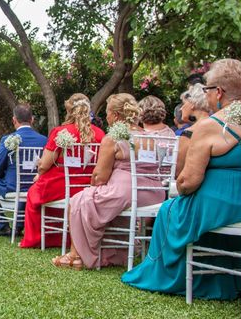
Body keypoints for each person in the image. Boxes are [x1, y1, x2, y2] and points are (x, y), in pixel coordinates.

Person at [122, 59, 241, 300]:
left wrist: (178, 188)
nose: (207, 95)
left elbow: (188, 182)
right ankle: (226, 282)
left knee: (169, 210)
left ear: (218, 92)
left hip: (222, 206)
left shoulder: (211, 126)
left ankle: (169, 276)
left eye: (208, 90)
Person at [53, 93, 166, 269]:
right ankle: (93, 253)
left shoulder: (113, 138)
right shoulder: (150, 137)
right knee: (88, 199)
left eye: (107, 112)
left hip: (125, 193)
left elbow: (100, 177)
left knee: (79, 200)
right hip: (154, 194)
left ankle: (76, 255)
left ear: (116, 115)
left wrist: (92, 187)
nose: (106, 117)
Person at [19, 94, 105, 249]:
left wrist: (40, 169)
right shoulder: (100, 134)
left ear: (69, 111)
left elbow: (45, 165)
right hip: (89, 187)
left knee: (34, 193)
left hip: (61, 185)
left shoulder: (61, 131)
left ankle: (39, 239)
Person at [0, 103, 47, 236]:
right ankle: (18, 227)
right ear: (32, 119)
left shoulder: (8, 140)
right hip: (35, 186)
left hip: (11, 186)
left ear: (14, 120)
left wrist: (2, 176)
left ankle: (4, 226)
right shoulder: (44, 140)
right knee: (25, 189)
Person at [174, 84, 211, 177]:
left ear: (192, 104)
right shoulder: (217, 125)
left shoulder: (189, 133)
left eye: (184, 103)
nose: (181, 108)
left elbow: (177, 171)